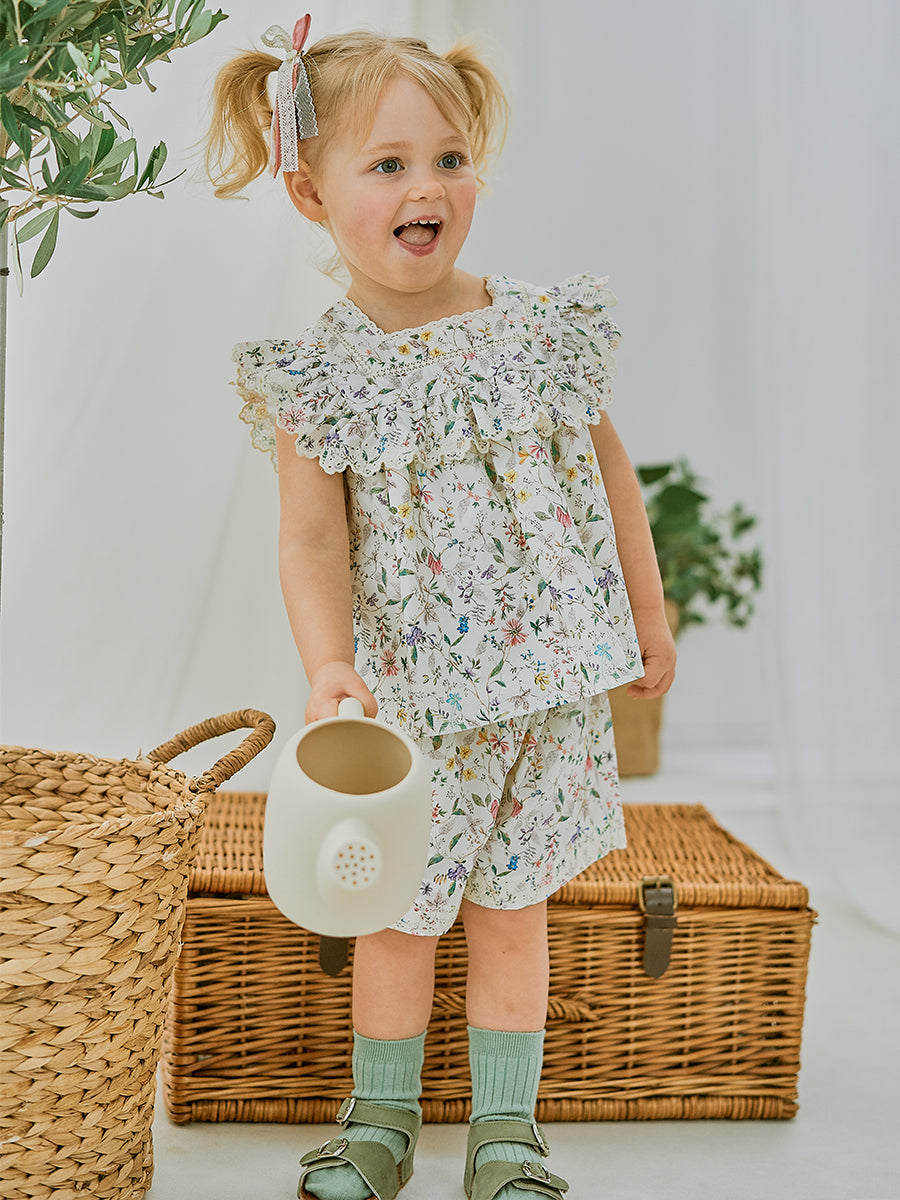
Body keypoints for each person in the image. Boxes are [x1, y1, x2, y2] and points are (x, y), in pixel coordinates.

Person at [207, 16, 676, 1200]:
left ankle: (507, 1132)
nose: (428, 188)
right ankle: (381, 1118)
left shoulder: (536, 330)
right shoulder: (325, 373)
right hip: (413, 708)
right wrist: (329, 663)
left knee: (515, 913)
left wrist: (647, 615)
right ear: (312, 195)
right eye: (390, 164)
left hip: (547, 693)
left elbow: (611, 475)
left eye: (449, 159)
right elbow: (311, 539)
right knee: (397, 916)